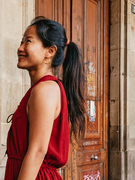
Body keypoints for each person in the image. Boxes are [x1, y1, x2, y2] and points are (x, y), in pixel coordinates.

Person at [5, 17, 87, 180]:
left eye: (28, 41)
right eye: (21, 41)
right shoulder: (43, 88)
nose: (20, 48)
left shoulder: (45, 89)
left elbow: (37, 152)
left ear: (50, 51)